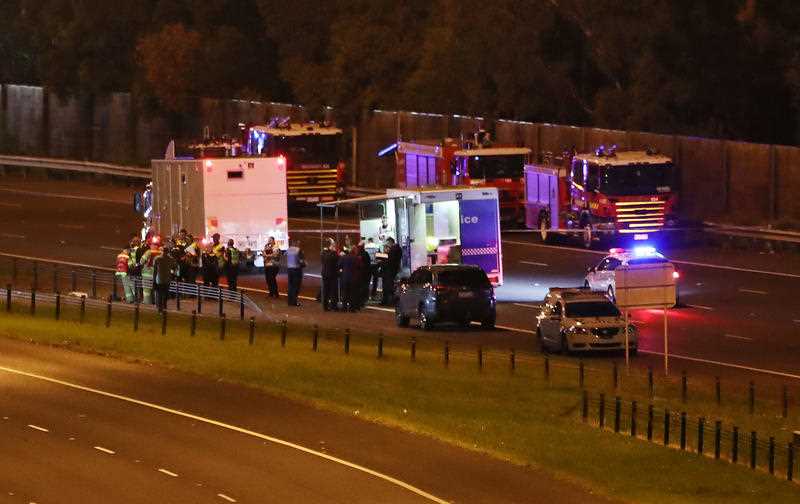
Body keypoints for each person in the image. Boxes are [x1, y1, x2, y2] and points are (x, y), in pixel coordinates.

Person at [153, 245, 176, 312]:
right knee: (165, 294)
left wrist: (154, 280)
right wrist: (171, 273)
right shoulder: (171, 259)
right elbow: (174, 268)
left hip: (159, 279)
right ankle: (164, 307)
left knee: (159, 294)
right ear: (168, 252)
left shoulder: (157, 258)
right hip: (167, 279)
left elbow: (155, 271)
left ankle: (160, 308)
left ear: (162, 251)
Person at [320, 238, 340, 311]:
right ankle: (333, 306)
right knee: (333, 291)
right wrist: (334, 251)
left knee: (326, 291)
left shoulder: (323, 253)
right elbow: (337, 260)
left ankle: (325, 306)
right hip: (332, 274)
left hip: (325, 274)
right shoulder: (333, 254)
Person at [382, 237, 402, 305]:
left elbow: (390, 260)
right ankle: (389, 301)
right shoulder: (397, 249)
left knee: (389, 285)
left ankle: (390, 301)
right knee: (390, 285)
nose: (387, 245)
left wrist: (385, 255)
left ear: (391, 242)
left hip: (390, 270)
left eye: (388, 243)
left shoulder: (394, 249)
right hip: (393, 269)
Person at [285, 239, 305, 306]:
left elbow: (286, 256)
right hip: (296, 269)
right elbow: (301, 261)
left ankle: (289, 301)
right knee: (296, 286)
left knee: (290, 285)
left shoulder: (288, 249)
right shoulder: (298, 250)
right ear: (296, 243)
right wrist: (304, 264)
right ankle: (294, 302)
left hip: (289, 269)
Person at [357, 240, 372, 308]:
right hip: (365, 274)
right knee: (364, 288)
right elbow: (368, 264)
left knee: (361, 288)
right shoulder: (365, 254)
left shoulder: (357, 254)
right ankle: (362, 301)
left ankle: (360, 301)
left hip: (360, 274)